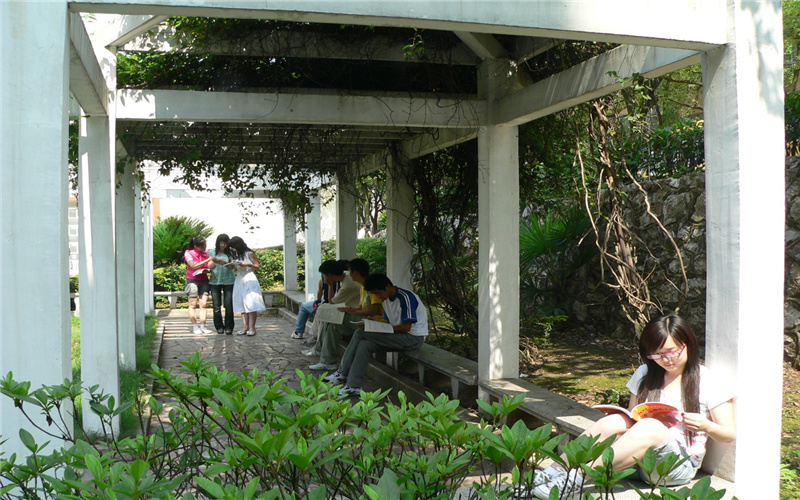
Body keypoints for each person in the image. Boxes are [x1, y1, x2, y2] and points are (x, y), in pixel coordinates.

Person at [532, 313, 736, 499]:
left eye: (672, 352)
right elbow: (633, 418)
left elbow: (728, 433)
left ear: (687, 344)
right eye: (656, 354)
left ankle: (576, 480)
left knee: (652, 427)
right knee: (614, 420)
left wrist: (705, 426)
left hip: (675, 467)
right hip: (636, 461)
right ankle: (554, 472)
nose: (665, 360)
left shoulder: (708, 380)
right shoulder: (644, 373)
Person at [324, 273, 427, 397]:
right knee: (365, 345)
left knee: (359, 333)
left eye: (378, 293)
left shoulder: (405, 297)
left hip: (413, 338)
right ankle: (354, 386)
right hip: (397, 337)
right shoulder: (386, 299)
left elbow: (406, 327)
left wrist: (378, 329)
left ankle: (342, 373)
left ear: (388, 286)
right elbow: (387, 321)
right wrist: (371, 323)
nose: (378, 296)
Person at [308, 258, 385, 371]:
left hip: (370, 320)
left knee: (333, 324)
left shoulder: (368, 287)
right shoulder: (362, 286)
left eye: (350, 271)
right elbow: (361, 307)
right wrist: (350, 310)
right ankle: (326, 359)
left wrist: (353, 311)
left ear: (356, 273)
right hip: (361, 316)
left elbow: (376, 310)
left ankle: (328, 361)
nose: (348, 274)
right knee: (331, 323)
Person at [227, 236, 266, 336]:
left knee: (251, 302)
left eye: (233, 247)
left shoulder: (249, 253)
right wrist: (233, 265)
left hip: (249, 278)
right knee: (241, 302)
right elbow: (238, 268)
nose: (232, 249)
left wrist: (248, 264)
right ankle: (245, 327)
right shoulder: (236, 255)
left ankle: (252, 327)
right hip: (240, 279)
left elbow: (257, 266)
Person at [183, 236, 214, 334]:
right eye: (202, 246)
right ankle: (194, 326)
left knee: (203, 304)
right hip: (192, 280)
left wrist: (210, 263)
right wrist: (206, 260)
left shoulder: (206, 253)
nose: (204, 247)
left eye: (205, 245)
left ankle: (203, 326)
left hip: (204, 280)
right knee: (192, 304)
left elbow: (210, 265)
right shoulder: (188, 253)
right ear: (196, 246)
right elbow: (192, 265)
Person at [292, 275, 337, 340]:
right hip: (330, 305)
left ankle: (298, 332)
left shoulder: (323, 281)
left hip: (326, 306)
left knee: (303, 307)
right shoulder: (341, 281)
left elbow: (320, 297)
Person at [207, 234, 236, 335]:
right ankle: (219, 326)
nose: (223, 245)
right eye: (221, 243)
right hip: (215, 281)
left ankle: (229, 327)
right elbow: (209, 266)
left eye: (225, 243)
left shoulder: (231, 253)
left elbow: (233, 266)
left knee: (228, 304)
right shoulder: (211, 252)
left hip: (229, 281)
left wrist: (220, 261)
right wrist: (211, 262)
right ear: (218, 243)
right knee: (216, 305)